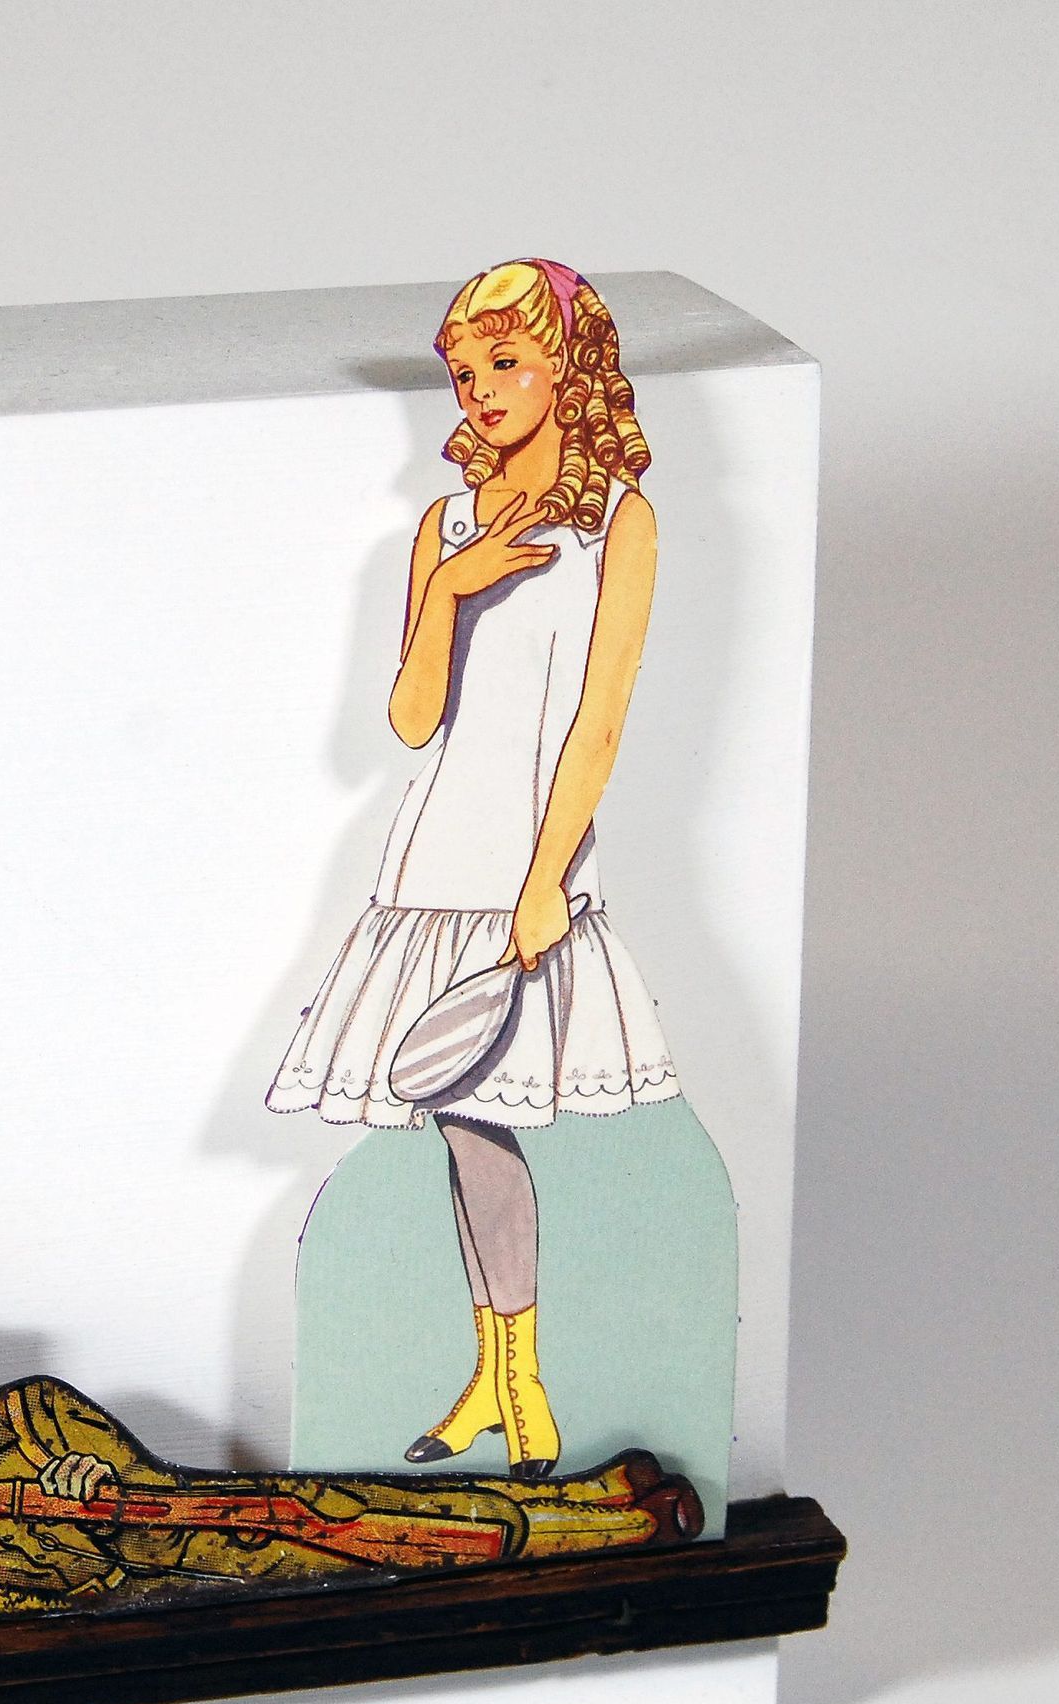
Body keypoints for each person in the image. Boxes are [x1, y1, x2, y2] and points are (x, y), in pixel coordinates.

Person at [265, 260, 681, 1481]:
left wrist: (548, 877)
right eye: (464, 372)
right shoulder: (446, 527)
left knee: (483, 1127)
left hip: (528, 871)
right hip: (431, 863)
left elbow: (602, 719)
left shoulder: (620, 521)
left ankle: (519, 1381)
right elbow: (410, 719)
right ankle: (501, 1381)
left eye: (507, 362)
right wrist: (449, 588)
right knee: (464, 1129)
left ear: (569, 367)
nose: (483, 390)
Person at [0, 1313, 699, 1621]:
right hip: (192, 1577)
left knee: (371, 1508)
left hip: (222, 1521)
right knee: (392, 1540)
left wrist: (95, 1490)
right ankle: (618, 1529)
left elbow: (138, 1480)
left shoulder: (35, 1408)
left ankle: (596, 1500)